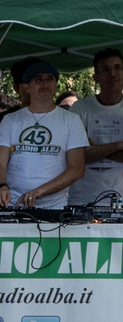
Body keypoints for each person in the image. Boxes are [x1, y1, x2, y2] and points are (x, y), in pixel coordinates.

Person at [0, 59, 89, 211]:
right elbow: (1, 162)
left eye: (50, 79)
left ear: (55, 85)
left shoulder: (71, 120)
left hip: (54, 207)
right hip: (12, 203)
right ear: (26, 87)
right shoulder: (10, 120)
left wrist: (40, 191)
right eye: (38, 79)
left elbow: (77, 169)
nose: (45, 84)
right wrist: (2, 186)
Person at [66, 47, 123, 208]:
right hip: (82, 198)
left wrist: (95, 148)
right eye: (105, 69)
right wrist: (121, 145)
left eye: (117, 68)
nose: (112, 74)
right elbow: (78, 156)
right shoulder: (80, 107)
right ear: (96, 77)